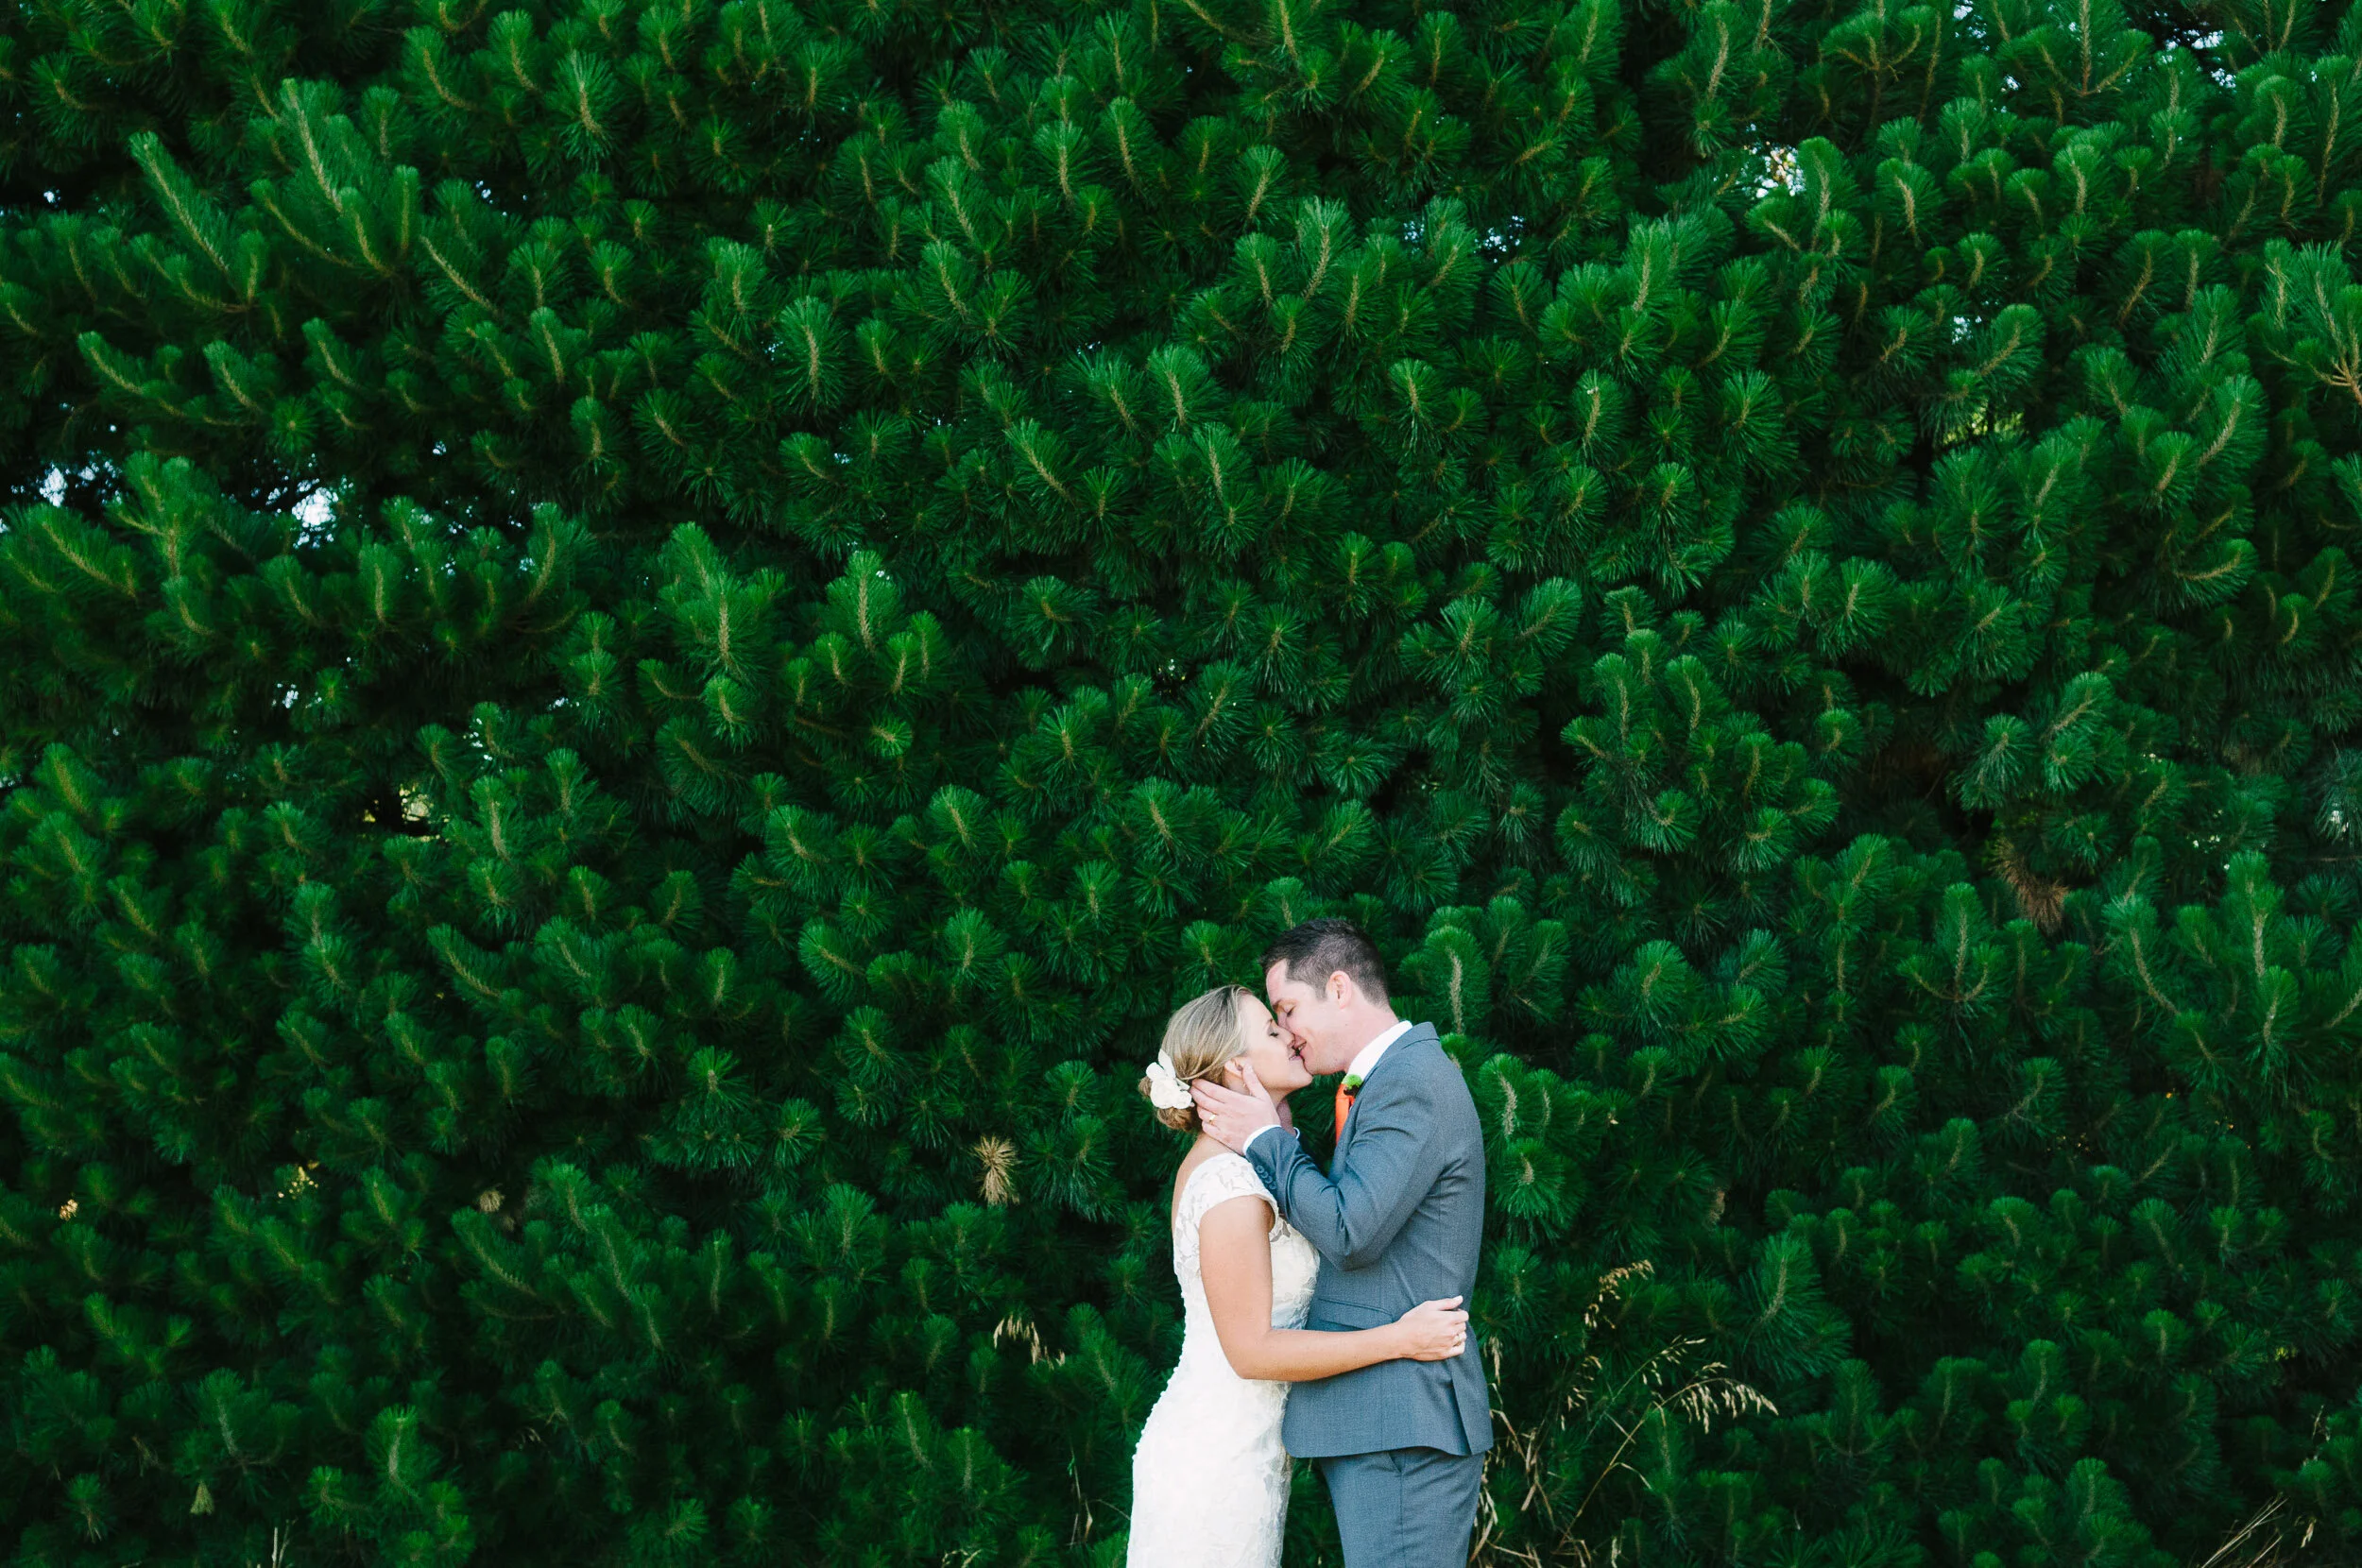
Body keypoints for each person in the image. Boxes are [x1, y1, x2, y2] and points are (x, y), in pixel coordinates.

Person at [1125, 982, 1471, 1568]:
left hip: (1249, 1453)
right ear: (1238, 1065)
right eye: (1270, 1028)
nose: (1288, 1033)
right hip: (1214, 1462)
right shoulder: (1227, 1187)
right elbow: (1251, 1352)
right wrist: (1399, 1341)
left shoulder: (1251, 1165)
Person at [1191, 918, 1492, 1568]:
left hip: (1403, 1424)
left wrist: (1265, 1139)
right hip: (1384, 1423)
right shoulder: (1384, 1084)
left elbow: (1352, 1232)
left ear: (1338, 989)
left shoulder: (1410, 1081)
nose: (1289, 1032)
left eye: (1289, 1010)